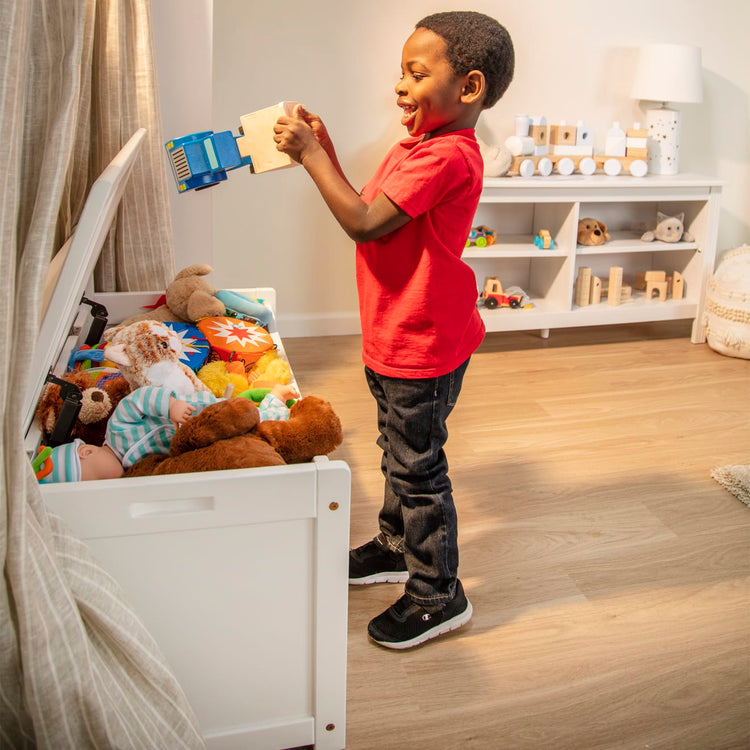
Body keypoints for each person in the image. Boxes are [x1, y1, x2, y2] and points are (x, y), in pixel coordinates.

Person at [273, 11, 514, 649]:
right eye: (399, 74)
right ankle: (394, 544)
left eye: (415, 73)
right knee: (398, 450)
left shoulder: (446, 158)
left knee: (417, 467)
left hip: (422, 341)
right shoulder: (416, 148)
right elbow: (368, 207)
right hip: (397, 330)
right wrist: (321, 149)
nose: (401, 87)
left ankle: (439, 594)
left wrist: (308, 156)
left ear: (468, 88)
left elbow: (360, 221)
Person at [34, 383, 298, 482]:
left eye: (95, 478)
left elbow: (138, 399)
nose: (103, 483)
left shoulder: (117, 431)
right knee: (247, 439)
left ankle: (275, 398)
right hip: (199, 443)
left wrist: (170, 405)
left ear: (86, 451)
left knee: (251, 419)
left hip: (196, 415)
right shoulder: (134, 472)